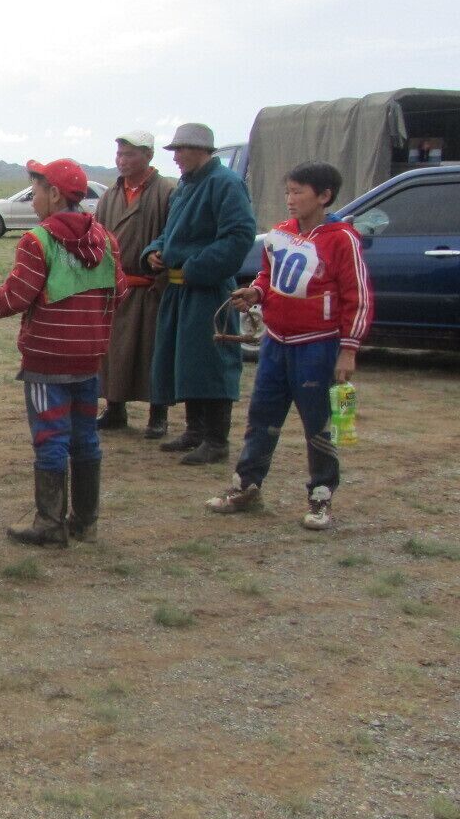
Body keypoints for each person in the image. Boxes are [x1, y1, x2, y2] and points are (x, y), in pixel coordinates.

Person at [0, 158, 124, 546]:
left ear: (54, 194)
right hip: (89, 359)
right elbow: (120, 291)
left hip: (47, 362)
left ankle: (49, 523)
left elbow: (12, 299)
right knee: (85, 437)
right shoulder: (106, 240)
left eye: (36, 189)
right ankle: (85, 521)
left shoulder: (37, 241)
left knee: (51, 438)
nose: (34, 197)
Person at [206, 162, 372, 531]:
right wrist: (256, 292)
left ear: (324, 196)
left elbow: (356, 296)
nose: (290, 199)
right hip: (276, 343)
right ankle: (246, 485)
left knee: (319, 423)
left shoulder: (341, 239)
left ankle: (321, 495)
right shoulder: (279, 235)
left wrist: (349, 348)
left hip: (318, 346)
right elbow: (270, 276)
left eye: (298, 192)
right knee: (261, 417)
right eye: (288, 192)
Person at [143, 123, 257, 465]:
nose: (175, 157)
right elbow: (171, 234)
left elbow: (239, 236)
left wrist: (195, 267)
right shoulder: (184, 187)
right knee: (186, 359)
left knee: (212, 362)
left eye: (180, 150)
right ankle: (195, 431)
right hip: (179, 289)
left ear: (201, 150)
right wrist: (154, 251)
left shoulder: (225, 184)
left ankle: (216, 440)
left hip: (207, 289)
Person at [96, 131, 176, 437]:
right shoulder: (110, 195)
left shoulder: (167, 192)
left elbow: (174, 234)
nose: (122, 161)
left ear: (148, 156)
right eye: (119, 154)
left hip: (151, 287)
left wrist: (160, 257)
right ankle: (115, 409)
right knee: (113, 353)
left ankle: (159, 415)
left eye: (129, 155)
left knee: (151, 352)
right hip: (116, 286)